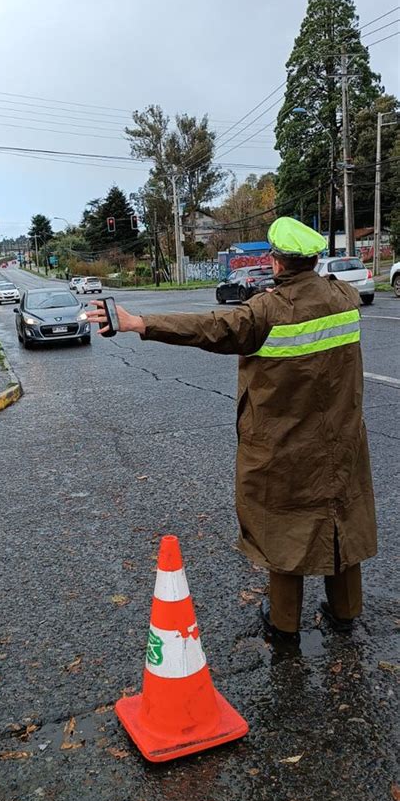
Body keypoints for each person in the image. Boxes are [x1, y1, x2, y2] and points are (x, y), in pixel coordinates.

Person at [88, 217, 377, 643]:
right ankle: (346, 612)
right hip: (342, 442)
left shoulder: (267, 310)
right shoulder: (344, 297)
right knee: (340, 519)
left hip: (285, 447)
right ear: (314, 259)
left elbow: (210, 328)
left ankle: (284, 625)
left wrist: (139, 323)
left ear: (277, 264)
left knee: (286, 531)